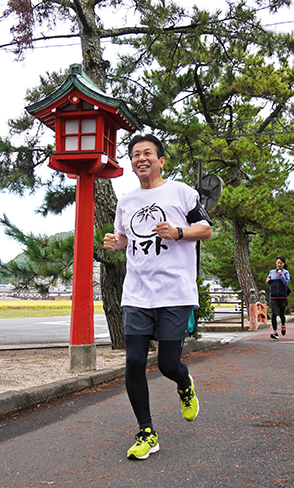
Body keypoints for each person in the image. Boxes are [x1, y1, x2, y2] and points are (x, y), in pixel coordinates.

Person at [103, 134, 212, 461]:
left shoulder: (181, 192)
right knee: (134, 362)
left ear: (161, 160)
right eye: (135, 155)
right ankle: (146, 431)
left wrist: (177, 232)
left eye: (147, 153)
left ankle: (184, 382)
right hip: (137, 293)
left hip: (175, 292)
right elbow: (126, 237)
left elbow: (205, 228)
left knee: (167, 364)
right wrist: (116, 242)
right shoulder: (126, 201)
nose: (141, 159)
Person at [266, 256, 291, 340]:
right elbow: (268, 281)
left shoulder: (286, 272)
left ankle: (283, 325)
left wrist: (281, 274)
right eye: (277, 263)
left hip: (282, 296)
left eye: (280, 263)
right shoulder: (272, 272)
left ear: (284, 264)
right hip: (273, 296)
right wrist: (268, 281)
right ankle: (275, 331)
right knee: (273, 314)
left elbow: (286, 282)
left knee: (281, 314)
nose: (279, 264)